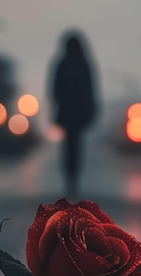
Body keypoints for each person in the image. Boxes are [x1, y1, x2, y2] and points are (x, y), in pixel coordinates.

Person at [49, 30, 98, 197]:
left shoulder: (61, 64)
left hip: (66, 111)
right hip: (79, 112)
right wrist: (91, 108)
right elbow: (90, 89)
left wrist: (55, 108)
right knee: (76, 146)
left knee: (68, 146)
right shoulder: (84, 63)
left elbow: (54, 90)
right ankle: (73, 178)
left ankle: (70, 178)